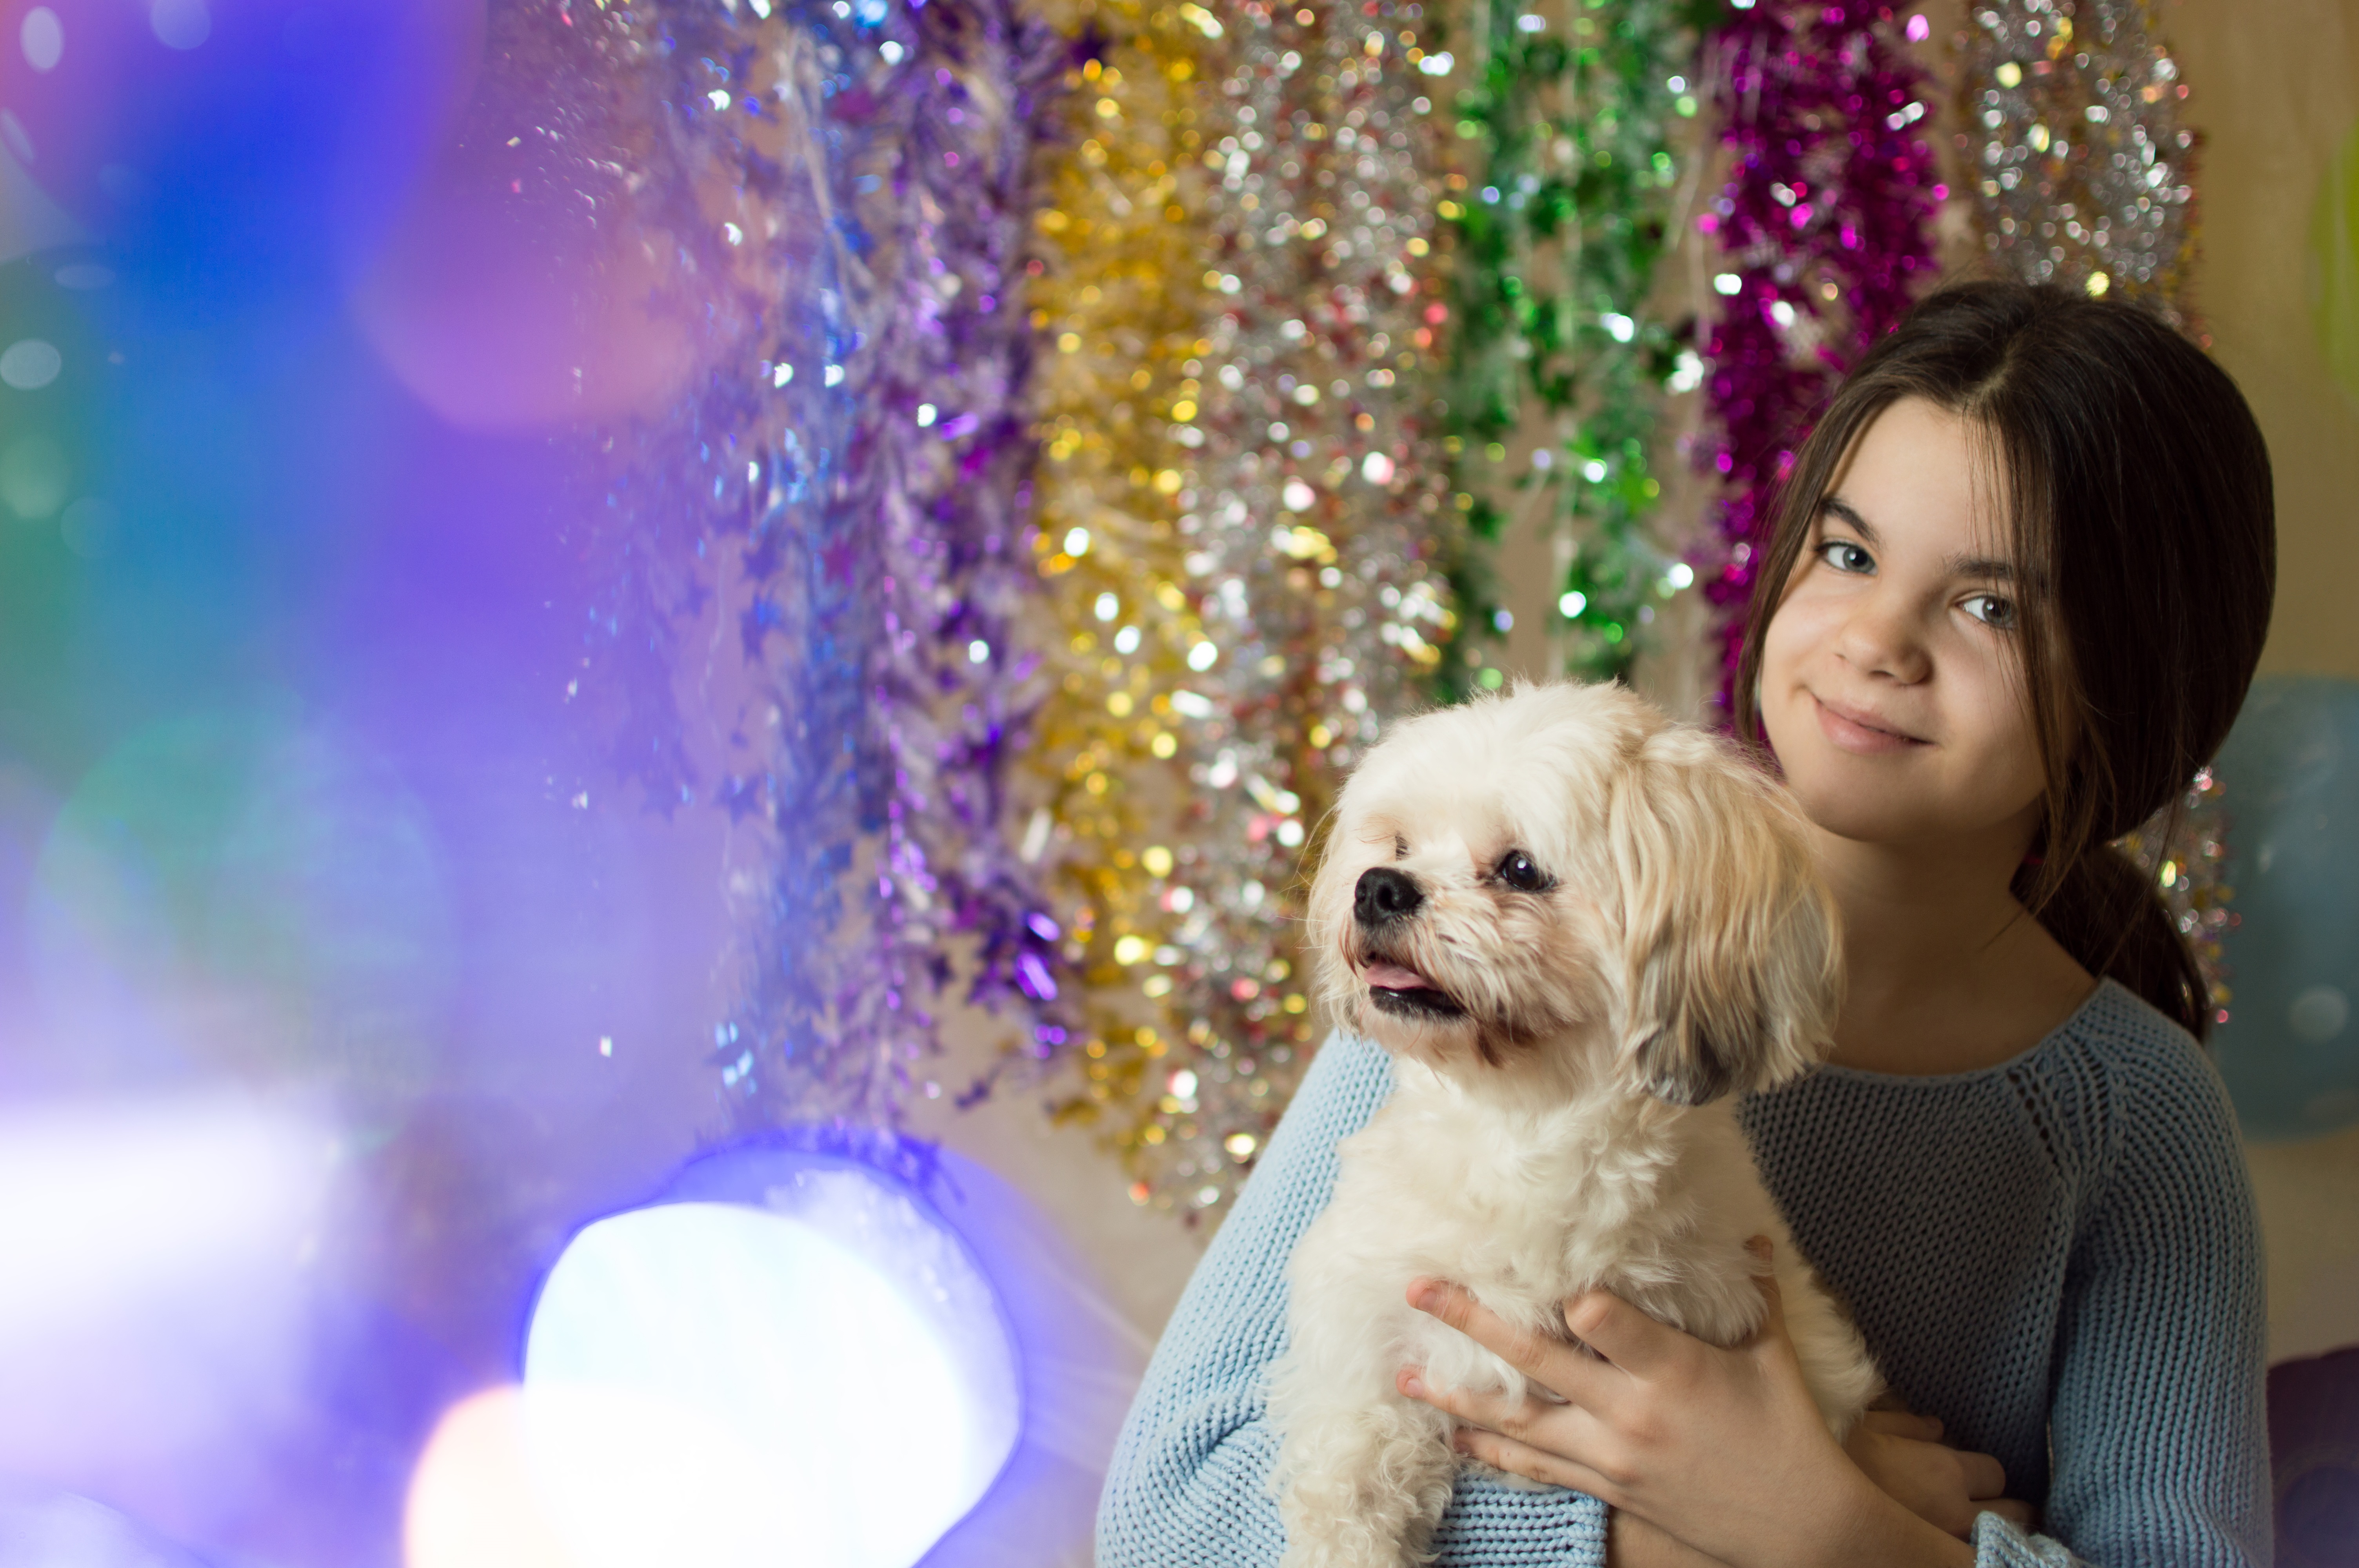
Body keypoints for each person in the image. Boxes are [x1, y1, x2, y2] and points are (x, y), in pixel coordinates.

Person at [1094, 279, 2276, 1568]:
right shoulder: (1483, 1002)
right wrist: (1636, 1534)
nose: (1878, 638)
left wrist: (1835, 1536)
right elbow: (1170, 1516)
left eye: (1990, 605)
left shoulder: (2130, 1122)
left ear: (2138, 683)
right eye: (1848, 553)